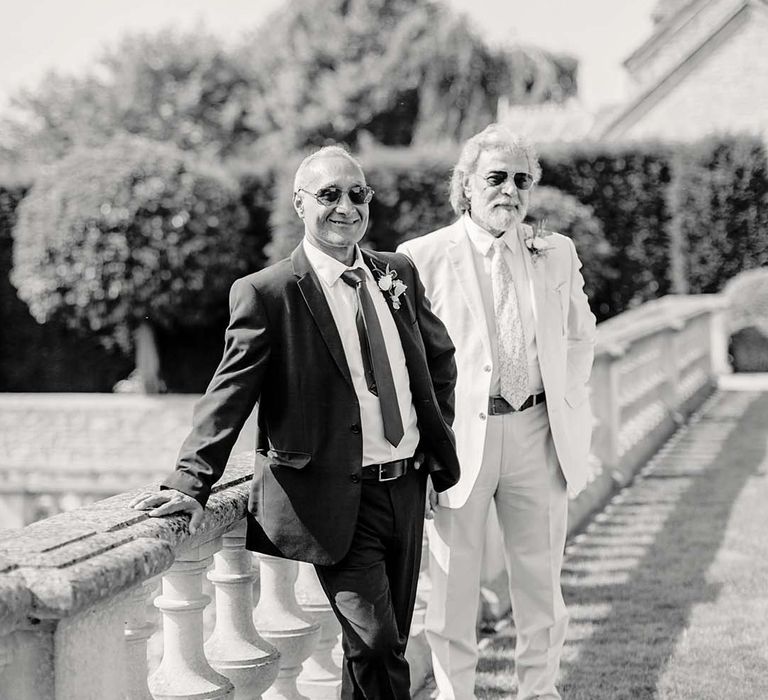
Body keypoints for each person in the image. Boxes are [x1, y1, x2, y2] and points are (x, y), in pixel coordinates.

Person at [131, 145, 460, 700]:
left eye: (358, 194)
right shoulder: (268, 293)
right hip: (332, 498)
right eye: (329, 195)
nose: (346, 207)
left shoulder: (396, 272)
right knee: (376, 641)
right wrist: (191, 481)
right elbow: (230, 392)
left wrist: (432, 441)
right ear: (299, 202)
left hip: (405, 488)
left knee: (385, 645)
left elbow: (439, 358)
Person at [397, 124, 596, 700]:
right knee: (453, 587)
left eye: (521, 180)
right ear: (465, 184)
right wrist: (426, 449)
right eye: (496, 177)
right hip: (459, 442)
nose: (509, 190)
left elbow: (582, 338)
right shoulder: (422, 257)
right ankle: (457, 694)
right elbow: (409, 365)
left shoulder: (554, 251)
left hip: (538, 432)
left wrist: (563, 400)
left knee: (540, 586)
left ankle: (539, 691)